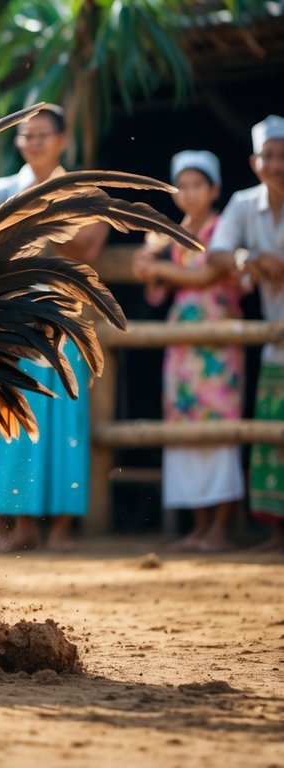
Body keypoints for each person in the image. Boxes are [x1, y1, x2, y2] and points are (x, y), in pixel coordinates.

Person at [0, 104, 109, 552]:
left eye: (43, 134)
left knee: (66, 420)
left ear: (63, 140)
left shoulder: (80, 189)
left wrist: (38, 214)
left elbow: (90, 248)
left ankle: (61, 528)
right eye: (27, 134)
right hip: (9, 319)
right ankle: (23, 529)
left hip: (62, 319)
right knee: (14, 423)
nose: (34, 141)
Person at [131, 150, 244, 552]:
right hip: (182, 339)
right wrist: (148, 264)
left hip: (216, 336)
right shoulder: (171, 233)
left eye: (198, 185)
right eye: (184, 185)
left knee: (220, 426)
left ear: (214, 190)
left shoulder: (223, 227)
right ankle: (199, 526)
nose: (190, 193)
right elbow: (158, 295)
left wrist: (160, 268)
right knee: (184, 427)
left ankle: (221, 527)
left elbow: (208, 276)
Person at [203, 115, 284, 553]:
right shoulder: (243, 204)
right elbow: (217, 254)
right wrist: (249, 258)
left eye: (282, 156)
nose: (276, 164)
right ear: (255, 162)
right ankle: (277, 533)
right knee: (273, 433)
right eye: (269, 156)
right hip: (276, 341)